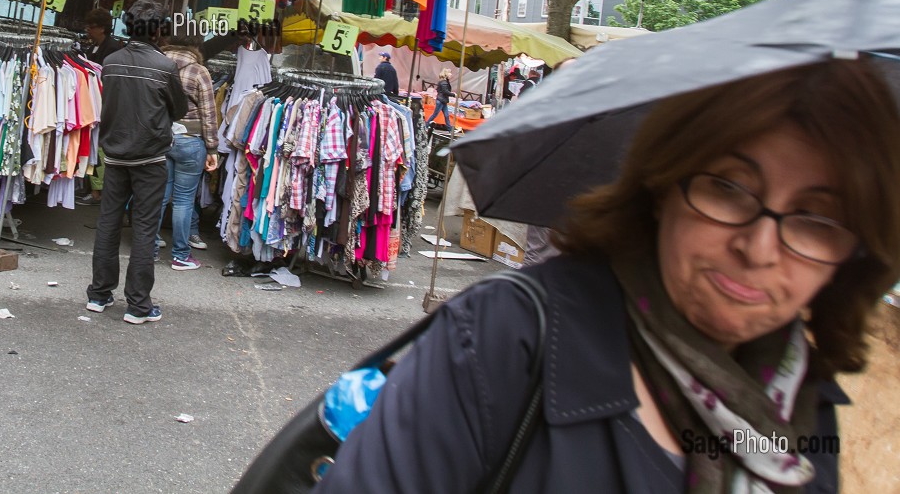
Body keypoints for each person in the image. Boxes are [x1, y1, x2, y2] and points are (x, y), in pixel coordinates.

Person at [316, 58, 900, 492]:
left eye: (815, 219)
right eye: (728, 188)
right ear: (662, 184)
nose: (759, 247)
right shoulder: (503, 343)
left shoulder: (803, 401)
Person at [87, 0, 187, 325]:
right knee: (144, 229)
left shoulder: (111, 61)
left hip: (115, 156)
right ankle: (138, 305)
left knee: (109, 223)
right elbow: (179, 109)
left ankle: (99, 295)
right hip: (150, 158)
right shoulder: (165, 67)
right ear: (158, 30)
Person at [157, 28, 220, 270]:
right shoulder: (199, 71)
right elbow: (209, 113)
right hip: (191, 141)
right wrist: (213, 149)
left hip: (161, 136)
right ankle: (180, 256)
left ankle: (149, 246)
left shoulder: (158, 63)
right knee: (183, 199)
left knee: (160, 194)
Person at [79, 8, 126, 204]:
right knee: (93, 145)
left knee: (99, 147)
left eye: (92, 26)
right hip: (94, 102)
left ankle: (98, 191)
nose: (88, 30)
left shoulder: (113, 49)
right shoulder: (93, 48)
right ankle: (93, 188)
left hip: (105, 104)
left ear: (102, 28)